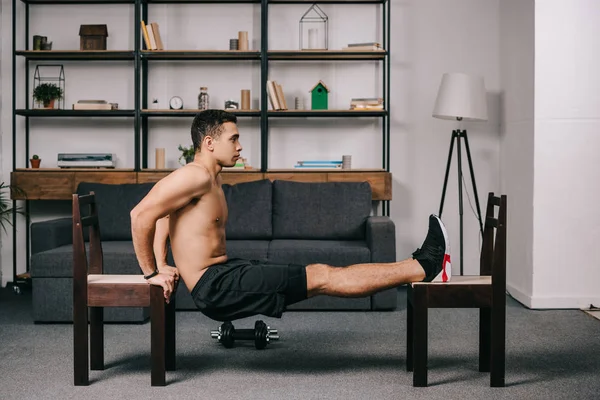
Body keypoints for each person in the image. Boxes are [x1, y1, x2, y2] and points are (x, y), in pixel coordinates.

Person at [131, 110, 451, 322]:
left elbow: (162, 215)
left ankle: (417, 268)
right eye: (234, 139)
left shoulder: (207, 176)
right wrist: (151, 273)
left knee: (320, 277)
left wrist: (163, 264)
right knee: (324, 276)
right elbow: (141, 214)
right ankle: (422, 266)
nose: (240, 146)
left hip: (223, 274)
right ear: (210, 142)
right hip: (216, 286)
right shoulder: (195, 176)